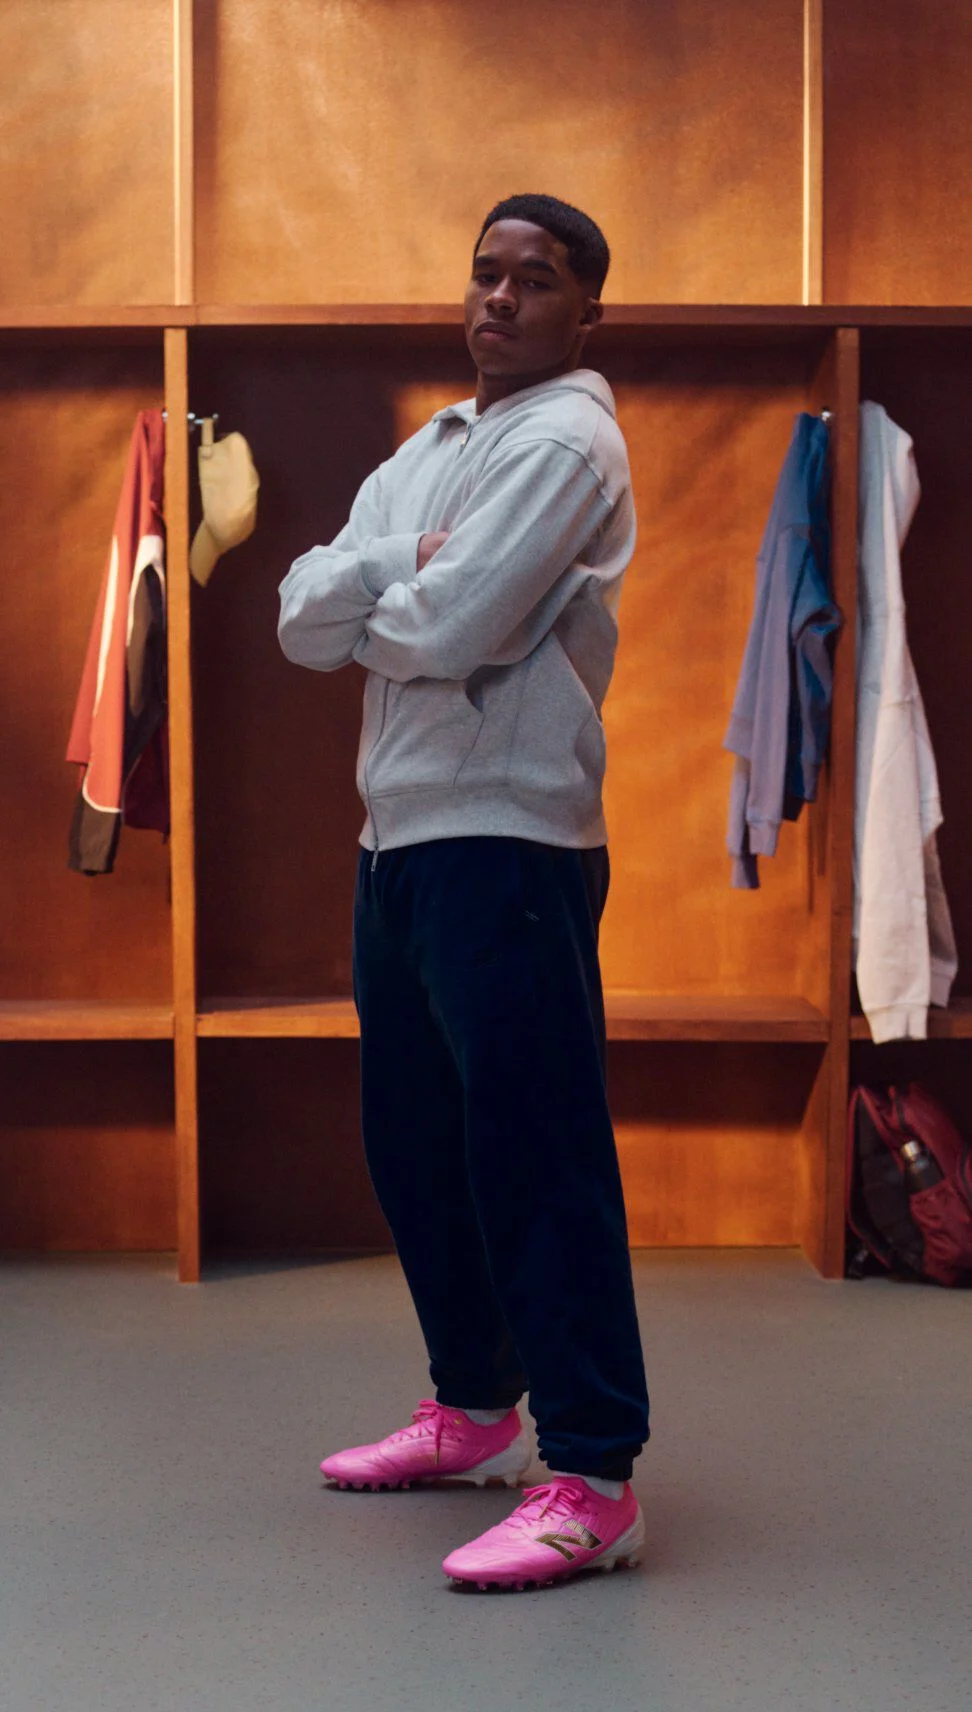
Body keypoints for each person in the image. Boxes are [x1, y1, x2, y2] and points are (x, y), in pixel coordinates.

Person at [278, 192, 650, 1591]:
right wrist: (391, 567)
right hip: (399, 844)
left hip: (512, 840)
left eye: (535, 280)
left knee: (536, 1157)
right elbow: (302, 618)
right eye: (486, 274)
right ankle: (477, 1410)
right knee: (419, 1146)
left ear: (584, 309)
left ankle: (594, 1470)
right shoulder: (431, 450)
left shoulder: (571, 442)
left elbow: (451, 627)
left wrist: (389, 597)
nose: (499, 299)